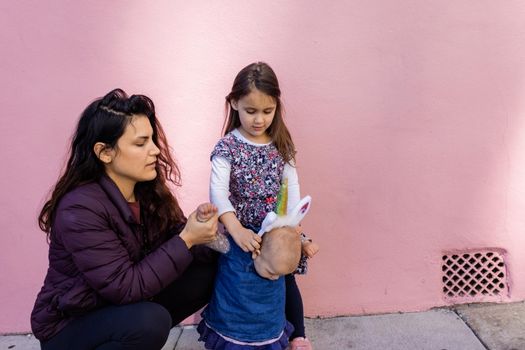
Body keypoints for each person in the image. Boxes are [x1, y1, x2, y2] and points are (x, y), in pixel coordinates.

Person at [31, 89, 219, 350]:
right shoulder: (79, 209)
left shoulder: (147, 191)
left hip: (120, 308)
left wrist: (214, 233)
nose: (154, 150)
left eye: (152, 139)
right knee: (149, 321)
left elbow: (177, 238)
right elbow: (124, 286)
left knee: (211, 270)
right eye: (141, 143)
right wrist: (187, 238)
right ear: (105, 152)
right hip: (71, 325)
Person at [197, 62, 319, 349]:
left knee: (283, 281)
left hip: (276, 232)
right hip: (242, 235)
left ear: (276, 105)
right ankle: (236, 338)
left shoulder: (281, 144)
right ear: (235, 102)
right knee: (239, 286)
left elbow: (292, 188)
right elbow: (218, 192)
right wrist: (236, 229)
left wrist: (292, 230)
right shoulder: (227, 147)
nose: (259, 120)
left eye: (268, 111)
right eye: (251, 111)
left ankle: (294, 334)